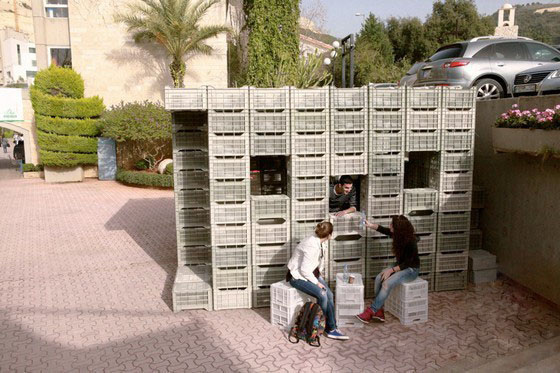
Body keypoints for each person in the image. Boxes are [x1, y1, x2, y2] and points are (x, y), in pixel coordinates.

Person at [286, 221, 349, 340]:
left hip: (311, 273)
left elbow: (317, 262)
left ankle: (331, 327)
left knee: (329, 294)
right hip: (296, 276)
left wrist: (319, 277)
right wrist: (317, 283)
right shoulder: (311, 245)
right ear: (329, 235)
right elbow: (304, 270)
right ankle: (325, 327)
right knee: (323, 294)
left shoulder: (319, 241)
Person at [357, 215, 420, 323]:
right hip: (400, 266)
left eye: (392, 225)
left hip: (411, 270)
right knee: (379, 278)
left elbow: (409, 263)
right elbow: (383, 229)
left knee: (387, 283)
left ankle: (372, 310)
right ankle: (379, 311)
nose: (390, 225)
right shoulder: (398, 235)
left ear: (399, 228)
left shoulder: (411, 242)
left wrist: (391, 270)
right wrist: (370, 225)